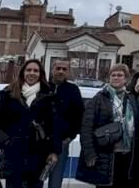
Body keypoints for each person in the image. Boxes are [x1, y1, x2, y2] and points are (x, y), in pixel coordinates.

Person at [0, 59, 61, 188]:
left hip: (38, 157)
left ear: (41, 74)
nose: (32, 73)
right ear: (23, 72)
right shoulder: (7, 94)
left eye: (36, 70)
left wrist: (54, 151)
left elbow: (55, 127)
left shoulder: (49, 96)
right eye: (29, 70)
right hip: (13, 156)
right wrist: (6, 142)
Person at [77, 64, 138, 188]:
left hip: (126, 154)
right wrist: (89, 153)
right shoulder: (98, 98)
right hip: (105, 155)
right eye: (113, 75)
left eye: (120, 75)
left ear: (126, 79)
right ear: (109, 78)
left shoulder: (131, 99)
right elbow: (86, 127)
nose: (116, 78)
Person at [46, 59, 84, 188]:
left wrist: (70, 136)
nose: (61, 71)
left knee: (55, 181)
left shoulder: (73, 90)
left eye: (64, 69)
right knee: (36, 179)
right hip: (40, 142)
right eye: (58, 68)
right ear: (52, 70)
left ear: (68, 72)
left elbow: (80, 115)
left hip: (62, 142)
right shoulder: (43, 87)